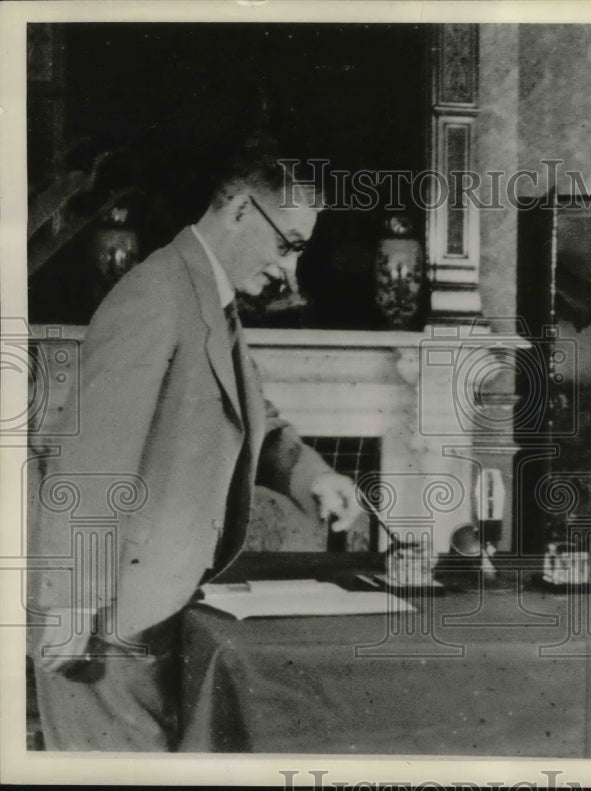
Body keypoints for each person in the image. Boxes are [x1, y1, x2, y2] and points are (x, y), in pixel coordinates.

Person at [27, 135, 364, 751]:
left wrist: (312, 475)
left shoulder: (207, 297)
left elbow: (252, 419)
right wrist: (70, 603)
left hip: (146, 608)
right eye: (287, 245)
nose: (290, 272)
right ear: (239, 210)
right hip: (105, 620)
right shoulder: (155, 294)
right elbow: (88, 457)